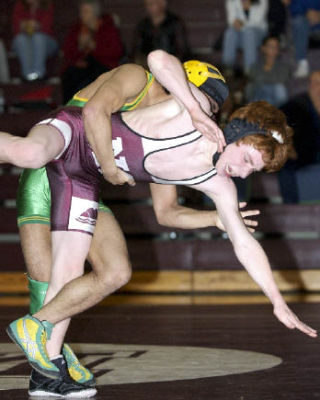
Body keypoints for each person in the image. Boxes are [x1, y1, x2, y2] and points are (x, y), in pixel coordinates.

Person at [2, 80, 317, 393]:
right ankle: (44, 345)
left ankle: (48, 365)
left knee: (78, 274)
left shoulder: (216, 179)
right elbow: (145, 70)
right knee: (30, 155)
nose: (244, 173)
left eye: (254, 171)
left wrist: (277, 300)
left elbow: (215, 232)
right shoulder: (178, 106)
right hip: (72, 141)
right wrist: (192, 106)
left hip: (83, 177)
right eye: (247, 161)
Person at [12, 53, 230, 396]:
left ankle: (46, 363)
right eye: (202, 105)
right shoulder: (136, 78)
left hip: (82, 184)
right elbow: (93, 112)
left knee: (115, 271)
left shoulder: (167, 140)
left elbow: (167, 212)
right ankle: (46, 372)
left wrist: (219, 218)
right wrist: (112, 169)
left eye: (210, 111)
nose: (200, 118)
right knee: (48, 283)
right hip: (50, 167)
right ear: (183, 90)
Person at [61, 0, 123, 103]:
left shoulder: (107, 27)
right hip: (81, 65)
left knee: (90, 80)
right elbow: (67, 52)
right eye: (81, 11)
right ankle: (69, 109)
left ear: (95, 13)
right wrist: (80, 47)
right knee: (70, 75)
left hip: (102, 65)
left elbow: (116, 52)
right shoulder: (77, 29)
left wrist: (94, 46)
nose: (82, 15)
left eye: (86, 11)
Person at [278, 70, 320, 202]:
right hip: (303, 154)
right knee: (286, 163)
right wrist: (288, 145)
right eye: (316, 83)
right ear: (309, 86)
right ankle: (291, 207)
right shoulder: (296, 105)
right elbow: (279, 124)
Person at [132, 0, 189, 67]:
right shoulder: (142, 25)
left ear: (163, 3)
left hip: (171, 66)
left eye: (154, 3)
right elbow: (137, 51)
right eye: (149, 4)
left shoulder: (175, 23)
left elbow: (182, 50)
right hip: (148, 66)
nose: (152, 7)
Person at [12, 0, 58, 81]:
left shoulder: (47, 4)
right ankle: (27, 75)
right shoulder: (19, 5)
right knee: (21, 39)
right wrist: (24, 26)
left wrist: (37, 25)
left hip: (46, 42)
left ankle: (39, 74)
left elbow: (49, 27)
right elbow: (15, 28)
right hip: (25, 41)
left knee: (38, 38)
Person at [222, 0, 268, 75]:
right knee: (230, 33)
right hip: (240, 33)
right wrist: (236, 24)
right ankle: (228, 67)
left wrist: (241, 23)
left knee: (249, 33)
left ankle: (250, 69)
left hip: (259, 33)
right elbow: (231, 20)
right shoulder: (231, 1)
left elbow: (257, 21)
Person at [245, 35, 291, 107]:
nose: (273, 48)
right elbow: (254, 78)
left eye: (276, 47)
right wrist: (267, 79)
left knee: (279, 87)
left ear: (278, 50)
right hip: (258, 96)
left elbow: (281, 79)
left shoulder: (284, 67)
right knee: (251, 87)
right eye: (270, 46)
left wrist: (262, 79)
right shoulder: (255, 66)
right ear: (263, 48)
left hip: (275, 99)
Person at [282, 0, 320, 78]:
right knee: (298, 21)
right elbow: (294, 9)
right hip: (304, 24)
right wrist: (307, 14)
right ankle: (302, 62)